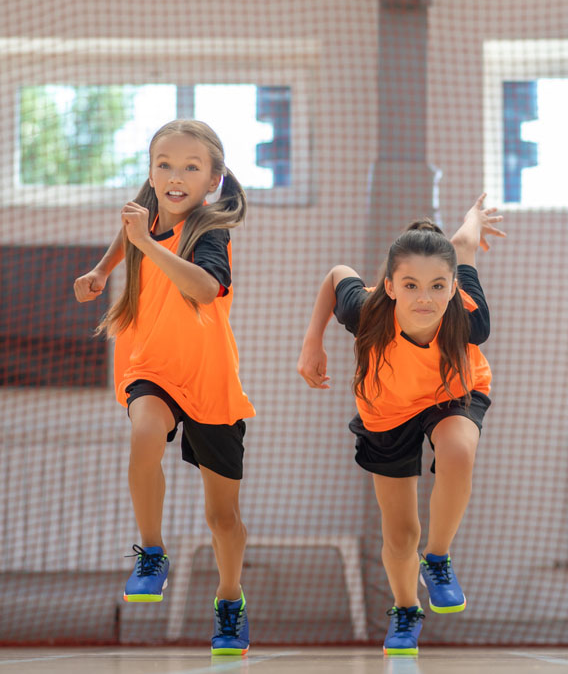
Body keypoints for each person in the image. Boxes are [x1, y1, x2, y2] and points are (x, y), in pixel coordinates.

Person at [73, 120, 253, 656]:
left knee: (223, 517)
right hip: (148, 364)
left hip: (208, 378)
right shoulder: (145, 216)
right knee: (145, 433)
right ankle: (152, 552)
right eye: (164, 165)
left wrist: (145, 245)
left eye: (190, 168)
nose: (175, 177)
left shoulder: (209, 230)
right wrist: (102, 271)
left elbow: (202, 288)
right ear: (151, 172)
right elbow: (127, 233)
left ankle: (230, 598)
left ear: (212, 179)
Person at [297, 195, 504, 656]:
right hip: (386, 411)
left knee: (457, 451)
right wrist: (313, 343)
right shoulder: (365, 309)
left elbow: (463, 245)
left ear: (453, 288)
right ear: (389, 286)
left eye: (436, 286)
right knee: (400, 532)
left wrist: (474, 216)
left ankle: (438, 558)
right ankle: (406, 609)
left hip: (451, 393)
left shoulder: (469, 318)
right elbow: (336, 275)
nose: (424, 298)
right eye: (410, 285)